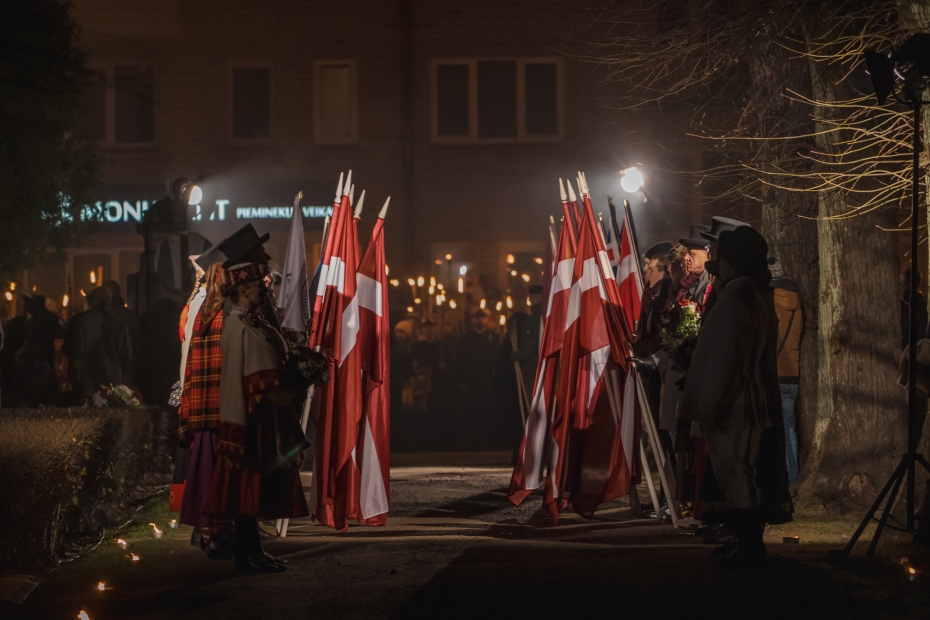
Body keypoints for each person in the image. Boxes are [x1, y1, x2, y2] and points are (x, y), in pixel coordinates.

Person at [680, 227, 792, 567]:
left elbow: (724, 358)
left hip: (734, 403)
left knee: (736, 473)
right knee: (740, 472)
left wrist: (711, 402)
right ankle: (746, 542)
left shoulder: (736, 301)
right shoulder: (747, 296)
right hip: (743, 400)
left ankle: (748, 546)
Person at [202, 261, 309, 573]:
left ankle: (252, 552)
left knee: (251, 489)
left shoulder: (248, 324)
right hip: (253, 420)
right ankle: (248, 555)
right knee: (249, 489)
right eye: (260, 285)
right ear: (244, 290)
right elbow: (260, 381)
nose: (265, 287)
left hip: (256, 418)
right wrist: (295, 385)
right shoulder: (243, 328)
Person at [62, 286, 132, 402]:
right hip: (114, 380)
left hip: (88, 381)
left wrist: (76, 378)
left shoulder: (82, 321)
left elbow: (77, 353)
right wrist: (121, 375)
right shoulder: (119, 323)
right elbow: (127, 354)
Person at [769, 256, 803, 486]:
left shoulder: (770, 299)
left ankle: (779, 476)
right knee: (789, 427)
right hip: (793, 371)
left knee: (774, 428)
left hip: (776, 371)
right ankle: (792, 476)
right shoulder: (797, 300)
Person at [511, 285, 543, 400]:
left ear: (532, 299)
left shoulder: (532, 321)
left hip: (534, 369)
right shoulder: (550, 317)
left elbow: (529, 347)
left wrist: (514, 355)